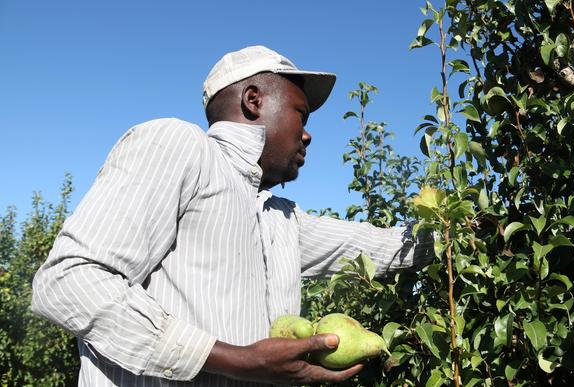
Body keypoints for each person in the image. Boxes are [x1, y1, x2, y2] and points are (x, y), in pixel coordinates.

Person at [31, 45, 431, 386]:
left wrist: (468, 229)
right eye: (301, 115)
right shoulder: (180, 148)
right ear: (253, 100)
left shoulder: (280, 218)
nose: (307, 134)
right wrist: (239, 360)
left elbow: (377, 247)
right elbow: (70, 280)